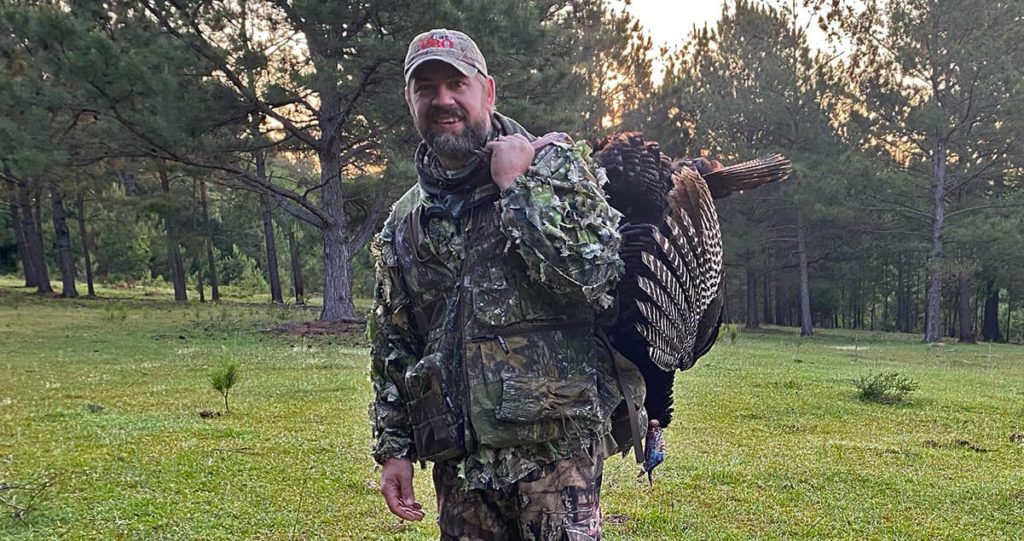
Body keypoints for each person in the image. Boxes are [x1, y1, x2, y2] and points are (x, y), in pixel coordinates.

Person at [369, 28, 644, 541]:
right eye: (425, 88)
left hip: (555, 458)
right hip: (461, 465)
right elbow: (395, 343)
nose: (443, 100)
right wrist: (396, 449)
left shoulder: (554, 168)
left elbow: (594, 279)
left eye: (456, 83)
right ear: (410, 101)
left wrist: (519, 188)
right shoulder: (406, 220)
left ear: (487, 92)